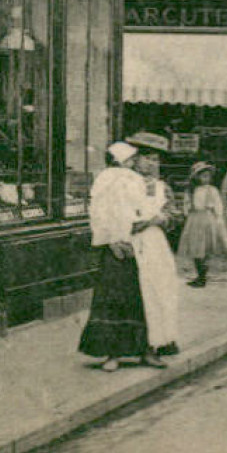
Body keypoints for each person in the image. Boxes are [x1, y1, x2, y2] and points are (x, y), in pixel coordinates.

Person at [78, 142, 169, 371]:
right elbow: (101, 212)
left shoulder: (147, 184)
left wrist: (155, 218)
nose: (147, 163)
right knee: (115, 297)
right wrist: (112, 240)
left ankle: (148, 350)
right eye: (141, 159)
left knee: (148, 297)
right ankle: (113, 354)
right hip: (119, 245)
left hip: (144, 246)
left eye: (154, 159)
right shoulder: (112, 181)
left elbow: (155, 212)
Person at [127, 134, 182, 365]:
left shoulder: (162, 187)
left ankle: (162, 340)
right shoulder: (125, 183)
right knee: (139, 293)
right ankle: (139, 345)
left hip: (155, 243)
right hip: (132, 241)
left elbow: (176, 214)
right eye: (147, 159)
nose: (152, 164)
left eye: (155, 160)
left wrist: (162, 219)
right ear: (136, 160)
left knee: (161, 289)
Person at [177, 160, 226, 288]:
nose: (206, 179)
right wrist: (187, 212)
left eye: (208, 176)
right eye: (203, 176)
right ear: (196, 177)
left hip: (207, 219)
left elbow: (218, 205)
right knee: (195, 248)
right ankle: (199, 275)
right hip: (194, 219)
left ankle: (203, 277)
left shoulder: (212, 190)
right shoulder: (191, 190)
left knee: (205, 249)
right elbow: (186, 204)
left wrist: (218, 218)